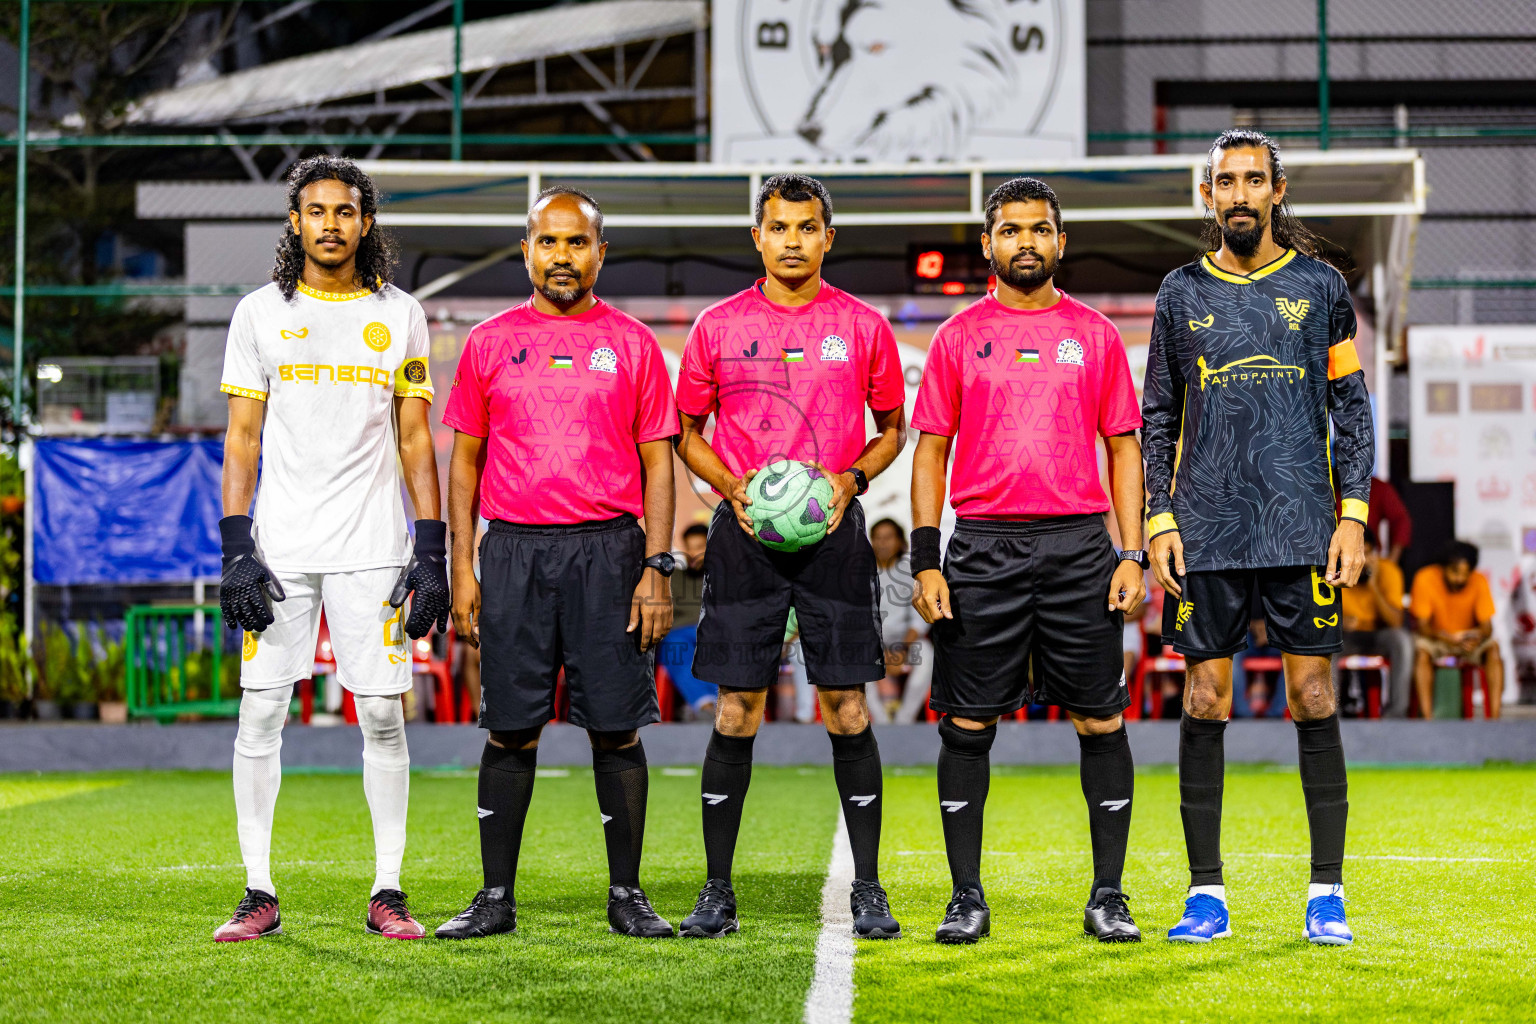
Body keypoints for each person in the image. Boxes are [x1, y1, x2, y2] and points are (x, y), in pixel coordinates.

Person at [1142, 129, 1374, 946]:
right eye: (1224, 182)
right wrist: (1158, 515)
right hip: (1205, 530)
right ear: (1208, 196)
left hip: (1302, 525)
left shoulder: (1321, 287)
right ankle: (1207, 894)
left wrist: (1353, 513)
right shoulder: (1177, 293)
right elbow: (1157, 416)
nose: (1238, 194)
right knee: (1207, 698)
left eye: (1253, 180)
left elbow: (1352, 411)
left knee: (1314, 696)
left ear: (1277, 192)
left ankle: (1326, 893)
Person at [434, 187, 680, 941]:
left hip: (610, 552)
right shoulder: (487, 343)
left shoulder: (634, 344)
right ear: (527, 250)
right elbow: (463, 465)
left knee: (616, 730)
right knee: (510, 730)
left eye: (578, 243)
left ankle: (627, 896)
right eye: (549, 242)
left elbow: (659, 466)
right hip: (512, 553)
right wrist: (463, 569)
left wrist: (657, 566)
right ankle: (495, 897)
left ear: (600, 252)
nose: (563, 256)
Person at [214, 156, 449, 942]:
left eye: (344, 211)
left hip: (373, 546)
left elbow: (416, 437)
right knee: (262, 710)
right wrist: (236, 548)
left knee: (382, 711)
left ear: (365, 222)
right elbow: (241, 439)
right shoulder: (257, 314)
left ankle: (388, 888)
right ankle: (258, 891)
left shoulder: (401, 313)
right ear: (295, 222)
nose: (330, 225)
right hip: (279, 551)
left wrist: (433, 549)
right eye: (315, 211)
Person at [910, 177, 1147, 945]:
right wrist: (926, 560)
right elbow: (931, 452)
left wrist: (1131, 552)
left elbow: (1123, 448)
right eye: (1009, 230)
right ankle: (966, 897)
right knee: (967, 723)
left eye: (1039, 230)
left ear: (1060, 242)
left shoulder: (1096, 335)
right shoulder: (956, 336)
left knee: (1100, 719)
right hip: (981, 547)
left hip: (1081, 547)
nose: (1025, 243)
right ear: (988, 244)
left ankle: (1108, 896)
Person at [673, 173, 907, 940]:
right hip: (746, 540)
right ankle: (716, 890)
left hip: (834, 534)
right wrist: (731, 489)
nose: (793, 240)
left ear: (827, 238)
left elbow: (892, 428)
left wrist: (851, 477)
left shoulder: (863, 325)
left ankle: (867, 888)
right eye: (779, 227)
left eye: (807, 228)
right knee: (739, 709)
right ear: (758, 237)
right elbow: (686, 432)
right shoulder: (717, 325)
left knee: (847, 708)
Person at [1411, 540, 1502, 719]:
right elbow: (1422, 627)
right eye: (1454, 572)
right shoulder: (1425, 578)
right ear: (1443, 567)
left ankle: (1495, 718)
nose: (1460, 579)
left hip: (1468, 640)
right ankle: (1427, 718)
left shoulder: (1479, 581)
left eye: (1465, 574)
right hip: (1437, 638)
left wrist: (1475, 638)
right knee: (1421, 652)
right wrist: (1448, 639)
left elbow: (1487, 628)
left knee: (1493, 649)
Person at [1335, 531, 1413, 717]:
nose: (1362, 559)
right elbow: (1319, 618)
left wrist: (1374, 585)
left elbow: (1395, 622)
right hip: (1346, 637)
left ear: (1375, 554)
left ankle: (1396, 714)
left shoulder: (1389, 571)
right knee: (1325, 643)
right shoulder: (1335, 571)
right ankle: (1331, 715)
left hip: (1379, 634)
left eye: (1367, 553)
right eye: (1356, 554)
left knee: (1402, 640)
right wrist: (1339, 622)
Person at [658, 524, 716, 719]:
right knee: (676, 649)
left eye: (699, 546)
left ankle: (715, 705)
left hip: (712, 631)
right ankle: (706, 705)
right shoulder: (673, 577)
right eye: (689, 547)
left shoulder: (722, 577)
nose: (692, 552)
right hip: (678, 632)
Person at [870, 518, 922, 724]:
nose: (882, 543)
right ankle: (881, 722)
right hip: (873, 643)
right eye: (878, 538)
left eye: (888, 538)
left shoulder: (911, 570)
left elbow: (919, 617)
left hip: (907, 642)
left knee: (927, 658)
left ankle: (904, 721)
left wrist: (901, 651)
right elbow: (861, 618)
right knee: (855, 659)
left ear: (901, 542)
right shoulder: (861, 572)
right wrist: (881, 653)